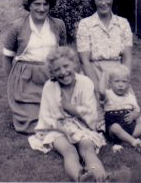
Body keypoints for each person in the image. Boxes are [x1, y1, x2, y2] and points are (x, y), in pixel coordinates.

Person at [28, 47, 131, 182]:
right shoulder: (50, 86)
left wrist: (70, 108)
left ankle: (103, 178)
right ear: (52, 72)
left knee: (88, 149)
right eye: (57, 69)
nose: (63, 72)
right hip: (56, 128)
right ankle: (81, 177)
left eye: (66, 66)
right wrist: (66, 131)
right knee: (68, 150)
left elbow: (90, 114)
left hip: (82, 126)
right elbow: (48, 118)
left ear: (74, 64)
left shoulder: (85, 82)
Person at [3, 0, 67, 134]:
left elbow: (63, 53)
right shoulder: (17, 26)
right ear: (29, 5)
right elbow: (7, 57)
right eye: (37, 4)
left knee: (58, 119)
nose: (42, 8)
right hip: (25, 79)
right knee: (31, 124)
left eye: (46, 4)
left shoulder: (58, 24)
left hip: (50, 77)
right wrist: (11, 82)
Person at [76, 0, 133, 129]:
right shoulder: (85, 24)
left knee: (126, 118)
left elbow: (127, 56)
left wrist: (125, 79)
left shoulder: (123, 23)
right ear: (93, 0)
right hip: (93, 72)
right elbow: (84, 60)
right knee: (94, 119)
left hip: (117, 74)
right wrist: (96, 86)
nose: (103, 3)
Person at [98, 64, 141, 151]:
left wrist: (134, 115)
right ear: (110, 82)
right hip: (115, 133)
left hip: (131, 129)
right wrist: (103, 73)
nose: (121, 85)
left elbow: (137, 110)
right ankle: (134, 142)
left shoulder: (130, 96)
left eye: (124, 81)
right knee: (115, 127)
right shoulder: (108, 94)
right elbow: (101, 91)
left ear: (128, 83)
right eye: (117, 81)